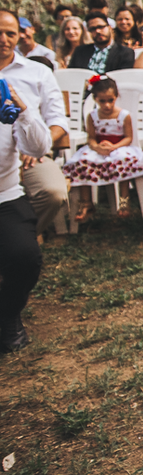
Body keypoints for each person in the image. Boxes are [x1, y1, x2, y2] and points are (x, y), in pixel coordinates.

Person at [0, 11, 69, 236]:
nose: (3, 39)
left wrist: (37, 145)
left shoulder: (37, 71)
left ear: (20, 35)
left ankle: (23, 234)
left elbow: (58, 120)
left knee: (54, 192)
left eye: (10, 33)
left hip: (30, 154)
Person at [0, 50, 51, 353]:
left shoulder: (7, 93)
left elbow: (38, 145)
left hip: (5, 196)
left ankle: (7, 316)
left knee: (25, 258)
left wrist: (23, 110)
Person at [61, 76, 143, 222]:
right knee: (83, 161)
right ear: (95, 99)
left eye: (110, 100)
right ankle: (86, 202)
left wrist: (114, 147)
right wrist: (96, 147)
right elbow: (91, 137)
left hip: (119, 146)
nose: (107, 105)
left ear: (116, 97)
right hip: (99, 147)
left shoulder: (124, 115)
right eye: (102, 101)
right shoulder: (92, 116)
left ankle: (124, 200)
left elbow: (128, 137)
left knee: (122, 161)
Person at [69, 11, 135, 73]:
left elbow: (122, 78)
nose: (98, 31)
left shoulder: (125, 53)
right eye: (93, 29)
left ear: (109, 28)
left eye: (101, 27)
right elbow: (72, 74)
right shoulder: (80, 51)